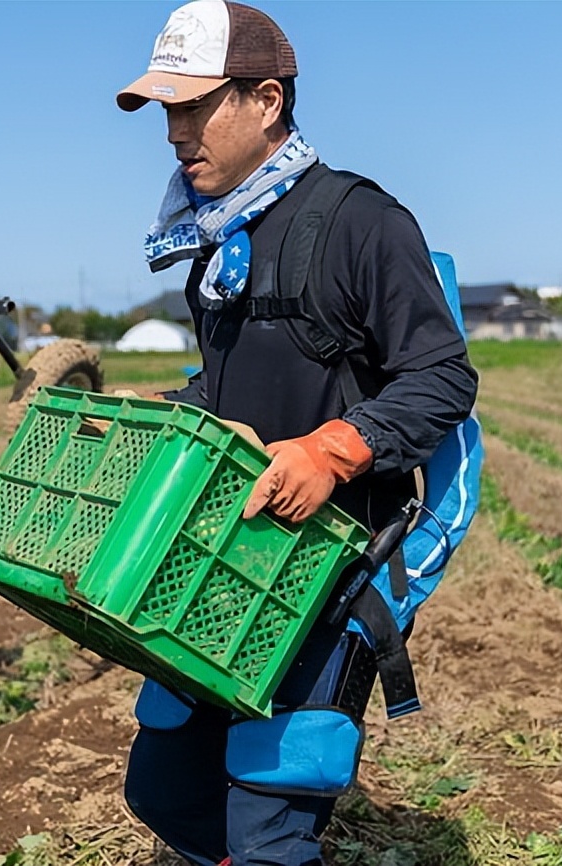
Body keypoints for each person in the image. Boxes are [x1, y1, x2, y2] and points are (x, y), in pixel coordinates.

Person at [115, 3, 479, 864]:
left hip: (331, 564)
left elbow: (442, 378)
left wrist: (331, 450)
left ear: (267, 100)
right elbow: (230, 382)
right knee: (163, 788)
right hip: (225, 558)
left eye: (193, 108)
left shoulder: (360, 221)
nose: (175, 133)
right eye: (167, 111)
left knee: (270, 823)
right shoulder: (216, 237)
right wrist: (160, 409)